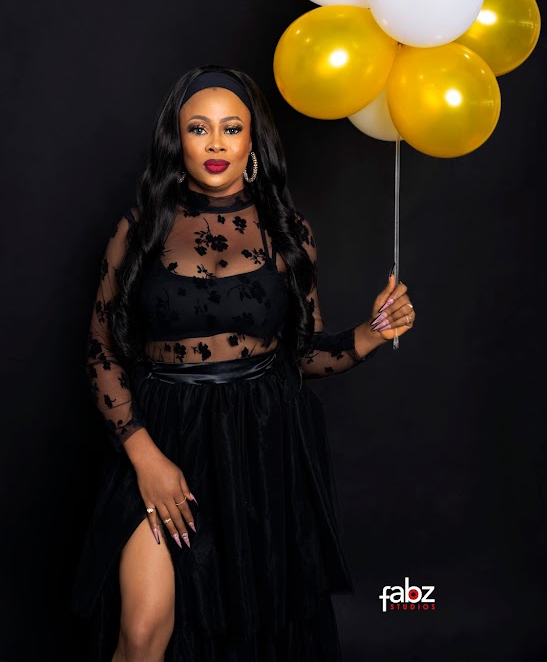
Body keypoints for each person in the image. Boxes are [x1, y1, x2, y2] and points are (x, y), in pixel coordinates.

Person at [69, 64, 415, 661]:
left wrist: (372, 332)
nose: (215, 143)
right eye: (198, 128)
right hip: (161, 434)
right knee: (143, 630)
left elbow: (303, 355)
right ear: (177, 139)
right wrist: (145, 458)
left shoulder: (289, 233)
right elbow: (102, 352)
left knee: (252, 629)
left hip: (258, 441)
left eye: (231, 128)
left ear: (253, 142)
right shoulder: (140, 229)